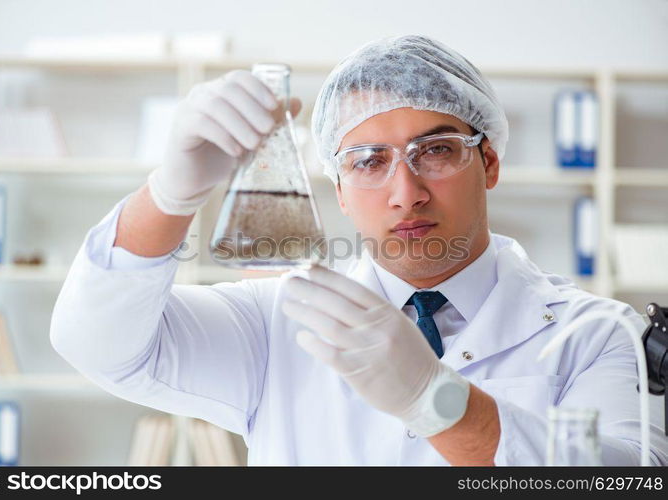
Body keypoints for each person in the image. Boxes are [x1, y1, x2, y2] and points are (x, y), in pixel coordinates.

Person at [49, 35, 667, 465]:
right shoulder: (274, 323)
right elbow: (98, 346)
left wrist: (439, 402)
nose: (406, 192)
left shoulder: (596, 332)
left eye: (437, 149)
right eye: (367, 161)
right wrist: (169, 195)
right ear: (339, 191)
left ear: (490, 161)